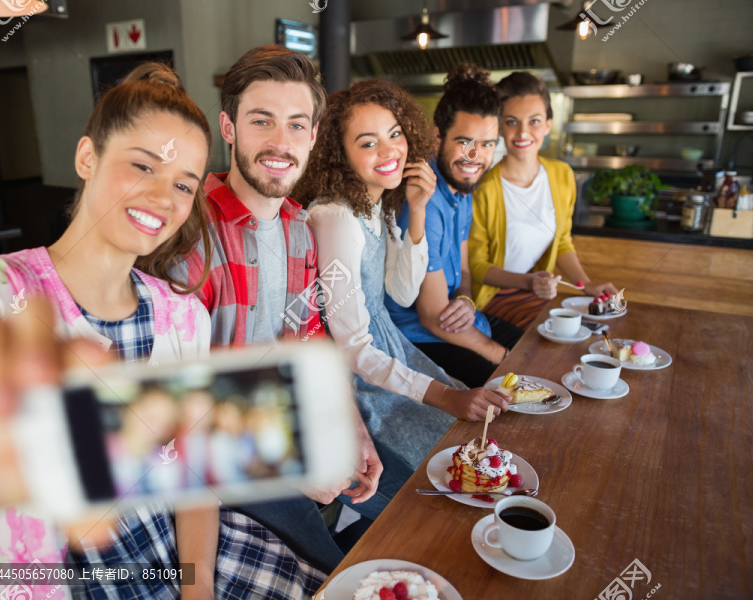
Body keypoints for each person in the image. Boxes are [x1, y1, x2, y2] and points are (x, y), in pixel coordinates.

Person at [0, 63, 326, 600]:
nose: (163, 196)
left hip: (180, 558)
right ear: (87, 157)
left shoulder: (182, 316)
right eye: (142, 166)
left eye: (183, 183)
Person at [168, 45, 411, 571]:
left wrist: (354, 427)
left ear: (315, 136)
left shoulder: (301, 229)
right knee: (332, 574)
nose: (281, 143)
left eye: (297, 125)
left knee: (417, 506)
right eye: (262, 121)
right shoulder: (191, 239)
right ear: (228, 127)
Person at [293, 79, 510, 470]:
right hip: (354, 380)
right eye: (367, 142)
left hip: (389, 349)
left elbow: (402, 292)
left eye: (394, 134)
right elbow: (352, 349)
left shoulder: (374, 204)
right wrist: (445, 396)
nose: (390, 149)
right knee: (446, 459)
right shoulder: (336, 218)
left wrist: (419, 207)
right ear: (340, 154)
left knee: (469, 444)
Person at [384, 64, 524, 389]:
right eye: (465, 142)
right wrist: (500, 355)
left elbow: (464, 271)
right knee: (514, 386)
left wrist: (466, 301)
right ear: (437, 136)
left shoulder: (462, 188)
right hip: (424, 341)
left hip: (460, 324)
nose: (476, 156)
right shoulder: (425, 199)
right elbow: (432, 317)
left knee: (538, 351)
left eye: (488, 144)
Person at [469, 71, 618, 329]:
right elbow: (477, 266)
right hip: (495, 298)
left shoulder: (561, 175)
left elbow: (561, 242)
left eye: (535, 121)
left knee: (595, 327)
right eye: (512, 121)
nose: (523, 132)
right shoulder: (483, 188)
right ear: (500, 125)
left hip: (537, 295)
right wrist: (529, 282)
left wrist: (586, 285)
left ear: (549, 124)